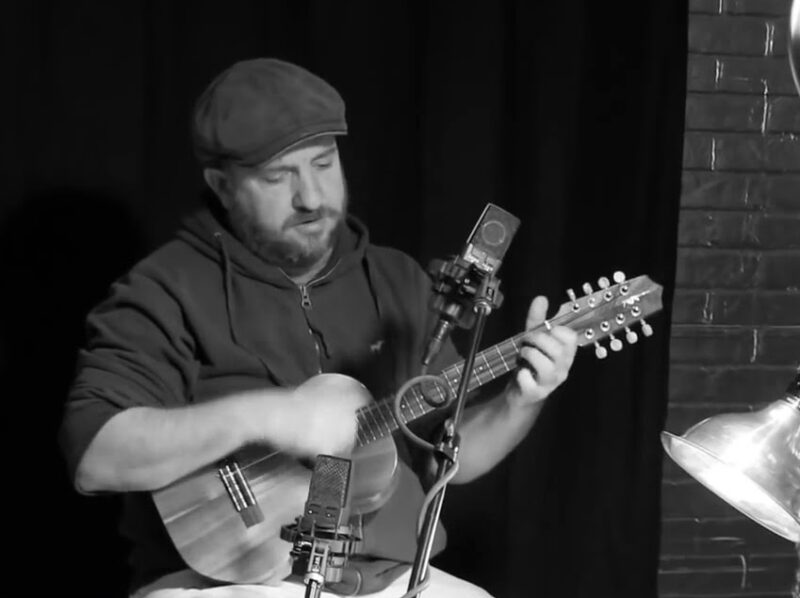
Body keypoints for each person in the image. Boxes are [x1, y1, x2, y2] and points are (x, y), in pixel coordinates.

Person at [58, 58, 578, 598]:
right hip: (226, 580)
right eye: (278, 177)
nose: (310, 197)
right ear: (222, 185)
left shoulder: (396, 278)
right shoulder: (167, 289)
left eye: (324, 163)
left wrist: (522, 400)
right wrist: (266, 416)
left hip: (382, 576)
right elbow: (97, 457)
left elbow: (451, 458)